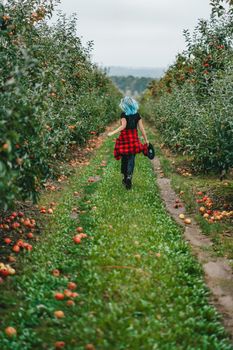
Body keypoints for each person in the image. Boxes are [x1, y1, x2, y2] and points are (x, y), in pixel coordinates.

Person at [107, 96, 149, 190]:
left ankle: (125, 177)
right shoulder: (137, 115)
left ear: (124, 105)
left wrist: (112, 132)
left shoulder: (123, 114)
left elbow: (123, 126)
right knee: (131, 158)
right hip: (133, 138)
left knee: (124, 158)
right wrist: (146, 140)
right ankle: (129, 176)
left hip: (125, 138)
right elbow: (142, 128)